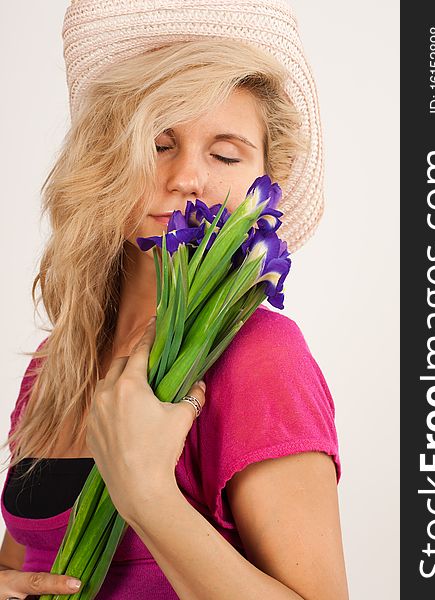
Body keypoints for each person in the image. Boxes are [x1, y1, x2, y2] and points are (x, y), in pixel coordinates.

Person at [0, 1, 349, 598]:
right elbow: (28, 560)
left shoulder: (260, 357)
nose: (187, 176)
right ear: (109, 161)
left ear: (264, 185)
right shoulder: (55, 362)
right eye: (159, 144)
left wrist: (148, 496)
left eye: (225, 153)